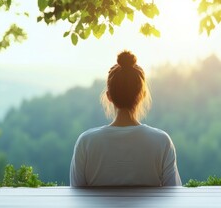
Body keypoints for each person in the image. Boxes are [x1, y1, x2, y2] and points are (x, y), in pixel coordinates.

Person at [70, 50, 182, 187]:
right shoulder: (162, 142)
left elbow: (76, 196)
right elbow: (174, 195)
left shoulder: (86, 142)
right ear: (142, 95)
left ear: (109, 96)